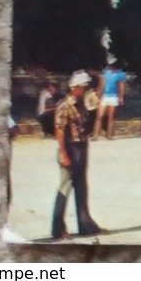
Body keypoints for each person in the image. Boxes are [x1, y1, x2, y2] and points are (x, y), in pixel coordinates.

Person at [50, 70, 103, 239]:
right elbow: (59, 131)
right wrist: (64, 154)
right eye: (83, 87)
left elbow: (86, 125)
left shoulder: (81, 104)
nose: (85, 90)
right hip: (69, 147)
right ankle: (58, 227)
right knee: (65, 187)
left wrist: (95, 109)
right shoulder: (64, 106)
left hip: (81, 146)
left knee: (81, 187)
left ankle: (85, 224)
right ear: (76, 87)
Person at [93, 62, 127, 139]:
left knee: (110, 116)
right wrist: (98, 93)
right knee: (99, 115)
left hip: (113, 96)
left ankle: (109, 134)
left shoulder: (120, 74)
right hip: (105, 96)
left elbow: (121, 86)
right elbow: (101, 83)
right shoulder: (106, 72)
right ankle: (96, 134)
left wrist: (121, 97)